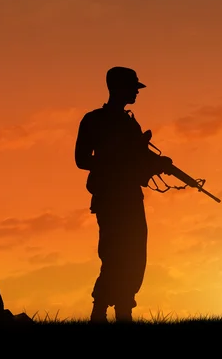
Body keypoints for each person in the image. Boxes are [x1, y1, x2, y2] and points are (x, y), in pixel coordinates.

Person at [74, 66, 173, 323]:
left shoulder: (130, 123)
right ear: (118, 89)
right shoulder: (93, 120)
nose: (136, 93)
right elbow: (81, 159)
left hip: (130, 197)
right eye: (132, 88)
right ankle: (101, 311)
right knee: (114, 254)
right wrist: (115, 162)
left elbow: (138, 158)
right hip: (110, 197)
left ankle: (124, 310)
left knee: (134, 254)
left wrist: (160, 163)